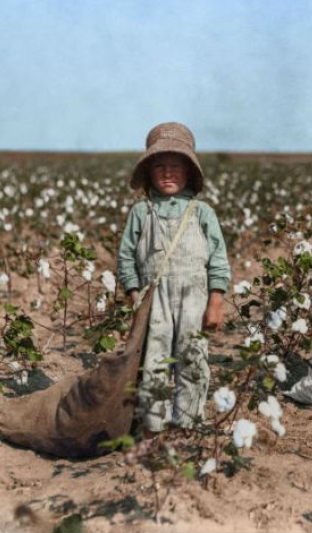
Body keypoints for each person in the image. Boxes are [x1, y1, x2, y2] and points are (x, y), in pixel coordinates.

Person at [117, 122, 231, 432]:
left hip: (194, 296)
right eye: (160, 167)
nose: (168, 173)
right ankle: (154, 426)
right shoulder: (142, 212)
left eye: (176, 167)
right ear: (150, 173)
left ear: (189, 173)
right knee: (153, 359)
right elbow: (126, 256)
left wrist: (215, 302)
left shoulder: (201, 212)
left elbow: (218, 259)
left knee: (192, 357)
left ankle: (188, 423)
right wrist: (134, 296)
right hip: (153, 298)